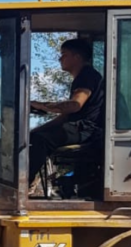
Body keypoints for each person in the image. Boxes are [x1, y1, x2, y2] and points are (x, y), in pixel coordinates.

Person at [28, 38, 105, 184]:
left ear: (77, 57)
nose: (60, 58)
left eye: (64, 54)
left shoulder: (87, 75)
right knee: (34, 138)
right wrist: (34, 131)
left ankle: (23, 184)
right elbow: (64, 118)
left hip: (86, 130)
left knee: (39, 141)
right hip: (78, 128)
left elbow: (75, 105)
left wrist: (42, 106)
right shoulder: (83, 77)